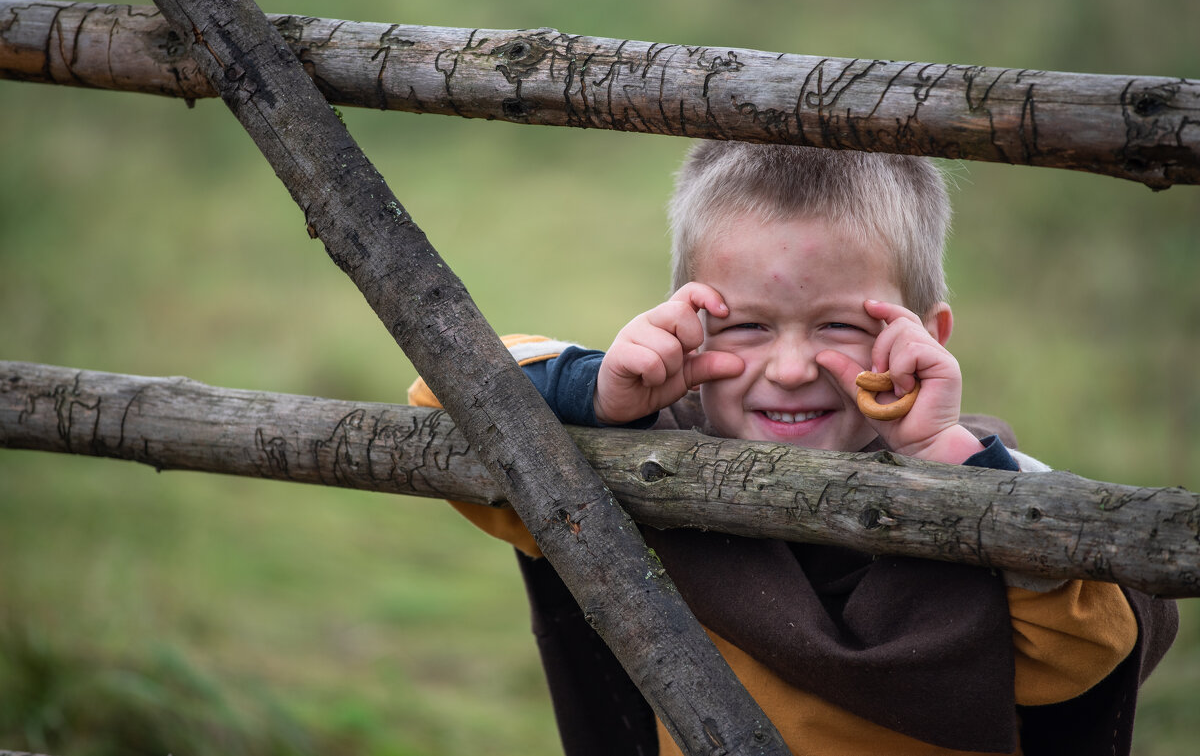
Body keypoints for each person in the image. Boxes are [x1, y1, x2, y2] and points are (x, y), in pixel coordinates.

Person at [408, 142, 1177, 756]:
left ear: (926, 337)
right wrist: (598, 389)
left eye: (840, 326)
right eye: (745, 326)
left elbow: (1090, 651)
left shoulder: (990, 481)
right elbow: (439, 394)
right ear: (688, 320)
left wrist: (948, 465)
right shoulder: (636, 463)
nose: (790, 368)